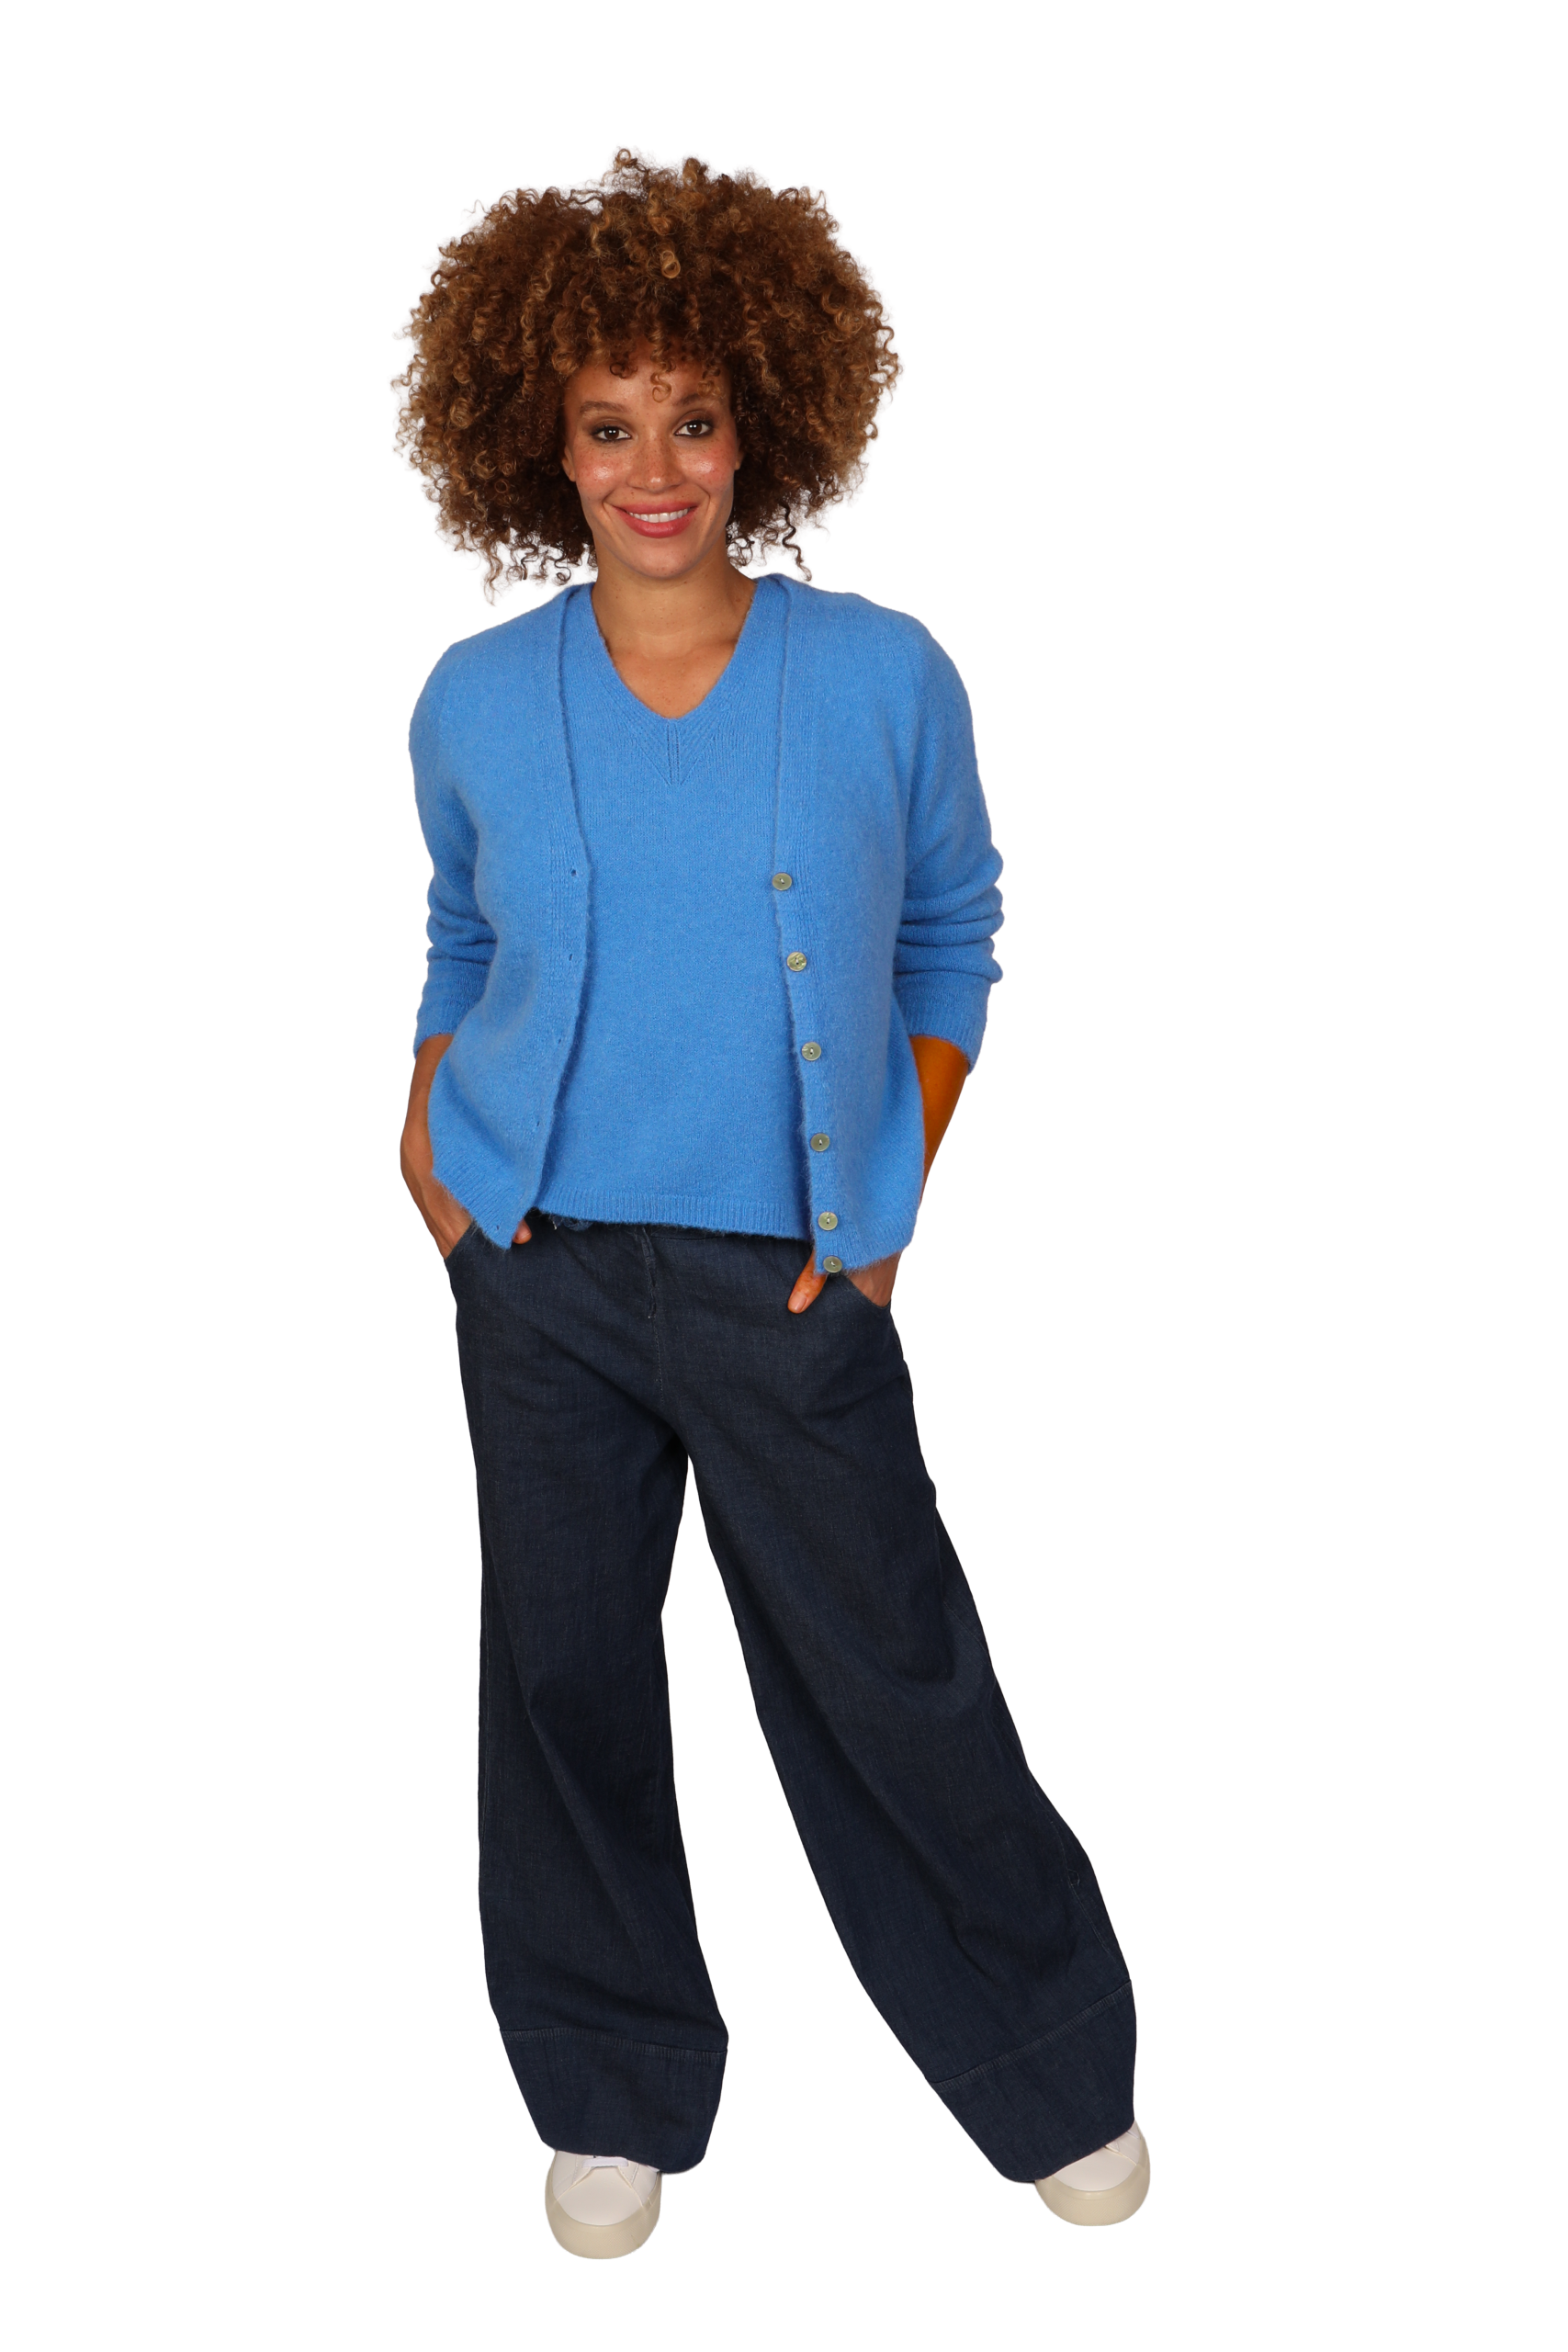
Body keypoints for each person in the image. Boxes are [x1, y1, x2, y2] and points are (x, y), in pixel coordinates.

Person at [397, 152, 1146, 2258]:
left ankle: (1046, 2064)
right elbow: (464, 936)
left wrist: (889, 1189)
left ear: (762, 426)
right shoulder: (473, 698)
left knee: (889, 1669)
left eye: (694, 418)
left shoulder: (879, 675)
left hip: (792, 1277)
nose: (655, 469)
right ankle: (609, 2084)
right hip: (532, 1265)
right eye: (606, 424)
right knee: (561, 1679)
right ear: (539, 445)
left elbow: (952, 934)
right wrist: (430, 1154)